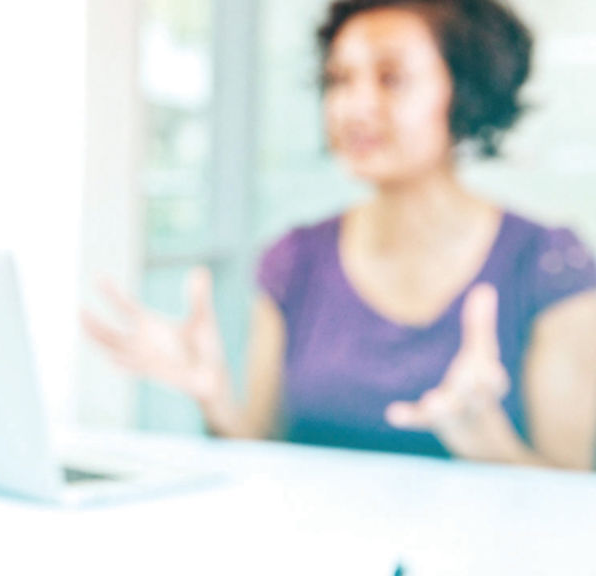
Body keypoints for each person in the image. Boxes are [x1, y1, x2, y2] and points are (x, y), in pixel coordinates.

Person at [83, 0, 596, 469]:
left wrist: (490, 445)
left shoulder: (549, 263)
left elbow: (574, 495)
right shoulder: (294, 259)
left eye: (391, 79)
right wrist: (216, 403)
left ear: (466, 93)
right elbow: (268, 461)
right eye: (339, 80)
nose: (354, 106)